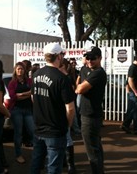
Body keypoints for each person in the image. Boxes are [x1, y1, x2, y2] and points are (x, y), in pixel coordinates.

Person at [31, 43, 75, 174]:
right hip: (55, 130)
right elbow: (70, 108)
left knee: (36, 162)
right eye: (62, 54)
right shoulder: (62, 78)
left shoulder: (36, 74)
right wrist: (67, 125)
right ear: (59, 57)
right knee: (54, 167)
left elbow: (33, 98)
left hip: (39, 127)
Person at [76, 46, 107, 174]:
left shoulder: (98, 73)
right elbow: (78, 82)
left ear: (100, 58)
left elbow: (79, 89)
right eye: (88, 58)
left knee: (92, 151)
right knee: (96, 147)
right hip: (87, 114)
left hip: (91, 116)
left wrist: (80, 87)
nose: (90, 61)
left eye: (93, 58)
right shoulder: (85, 69)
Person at [7, 62, 35, 164]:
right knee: (18, 133)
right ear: (15, 70)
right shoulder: (12, 83)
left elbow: (33, 91)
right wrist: (27, 94)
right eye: (18, 69)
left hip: (28, 110)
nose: (20, 71)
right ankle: (18, 155)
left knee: (33, 131)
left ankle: (37, 154)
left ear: (24, 70)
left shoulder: (29, 81)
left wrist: (22, 94)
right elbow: (13, 96)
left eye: (22, 69)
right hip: (16, 110)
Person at [59, 58, 77, 174]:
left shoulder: (67, 78)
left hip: (65, 111)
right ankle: (64, 162)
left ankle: (71, 164)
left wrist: (69, 122)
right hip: (57, 111)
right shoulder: (58, 78)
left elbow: (71, 100)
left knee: (67, 138)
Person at [120, 53, 137, 134]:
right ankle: (132, 127)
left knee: (134, 110)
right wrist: (135, 91)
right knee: (134, 110)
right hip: (134, 93)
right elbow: (130, 80)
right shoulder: (133, 67)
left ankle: (130, 126)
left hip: (135, 92)